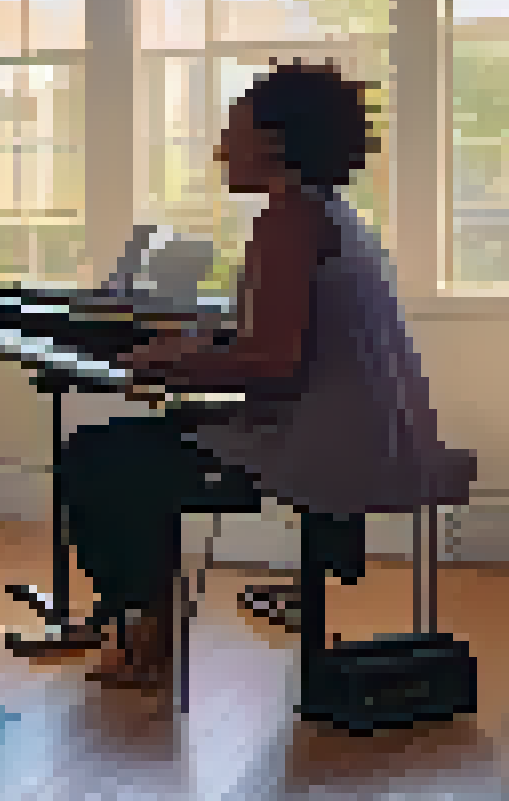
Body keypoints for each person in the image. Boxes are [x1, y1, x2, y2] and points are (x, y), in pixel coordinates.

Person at [67, 62, 474, 689]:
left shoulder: (287, 220)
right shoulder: (329, 215)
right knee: (140, 442)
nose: (222, 147)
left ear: (276, 140)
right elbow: (279, 338)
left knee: (104, 457)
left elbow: (271, 361)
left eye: (236, 128)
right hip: (363, 435)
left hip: (322, 449)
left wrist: (165, 360)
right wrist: (200, 348)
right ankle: (139, 621)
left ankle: (142, 633)